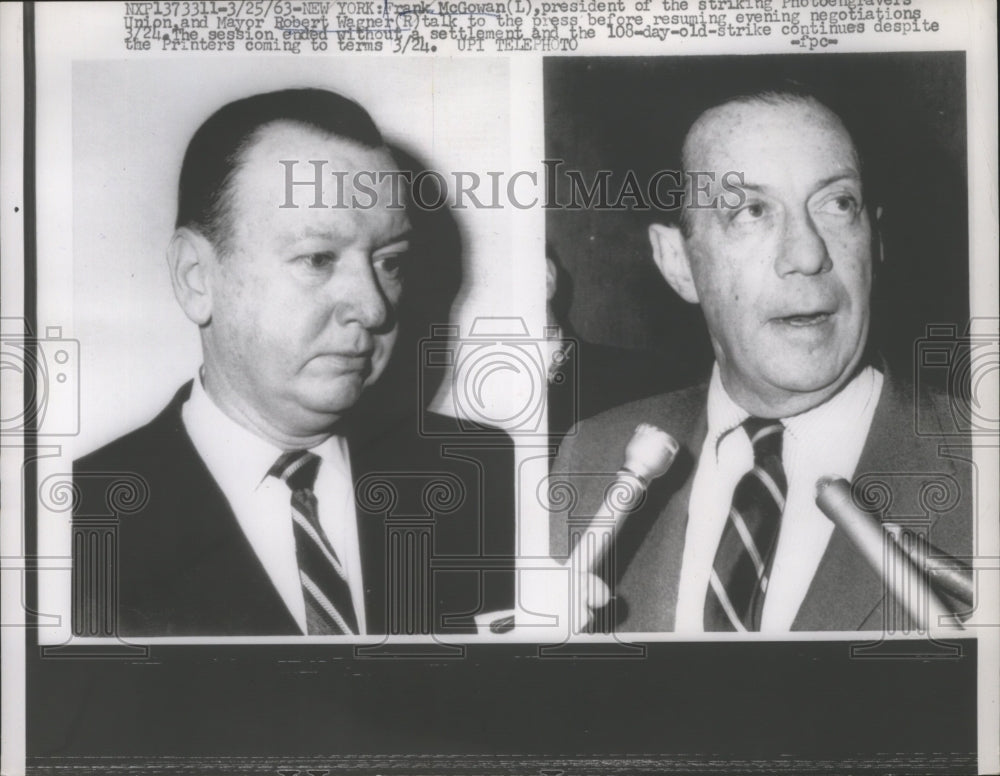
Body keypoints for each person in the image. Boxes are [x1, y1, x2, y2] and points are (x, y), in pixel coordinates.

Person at [73, 88, 514, 637]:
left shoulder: (490, 479)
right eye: (318, 259)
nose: (374, 308)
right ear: (196, 277)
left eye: (390, 261)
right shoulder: (72, 524)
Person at [550, 85, 972, 633]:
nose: (808, 254)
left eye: (838, 203)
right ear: (677, 261)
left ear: (876, 237)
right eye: (751, 211)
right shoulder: (592, 458)